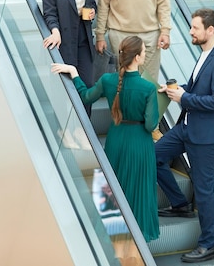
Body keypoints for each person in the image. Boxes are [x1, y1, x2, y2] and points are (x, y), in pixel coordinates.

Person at [52, 35, 160, 242]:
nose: (145, 54)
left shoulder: (108, 81)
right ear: (137, 58)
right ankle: (137, 241)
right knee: (138, 192)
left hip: (116, 140)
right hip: (140, 145)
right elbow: (150, 125)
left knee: (113, 189)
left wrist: (74, 72)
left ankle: (111, 236)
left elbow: (85, 96)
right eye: (144, 52)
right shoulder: (148, 88)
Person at [155, 8, 214, 263]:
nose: (190, 31)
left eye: (195, 28)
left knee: (204, 190)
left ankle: (209, 244)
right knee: (153, 155)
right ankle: (180, 204)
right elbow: (200, 87)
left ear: (210, 30)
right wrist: (176, 89)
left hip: (206, 136)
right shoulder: (205, 54)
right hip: (186, 128)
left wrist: (185, 98)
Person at [42, 0, 97, 115]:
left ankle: (84, 129)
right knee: (65, 87)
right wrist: (55, 31)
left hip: (84, 37)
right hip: (64, 39)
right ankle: (64, 129)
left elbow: (92, 2)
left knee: (87, 84)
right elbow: (49, 11)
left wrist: (91, 11)